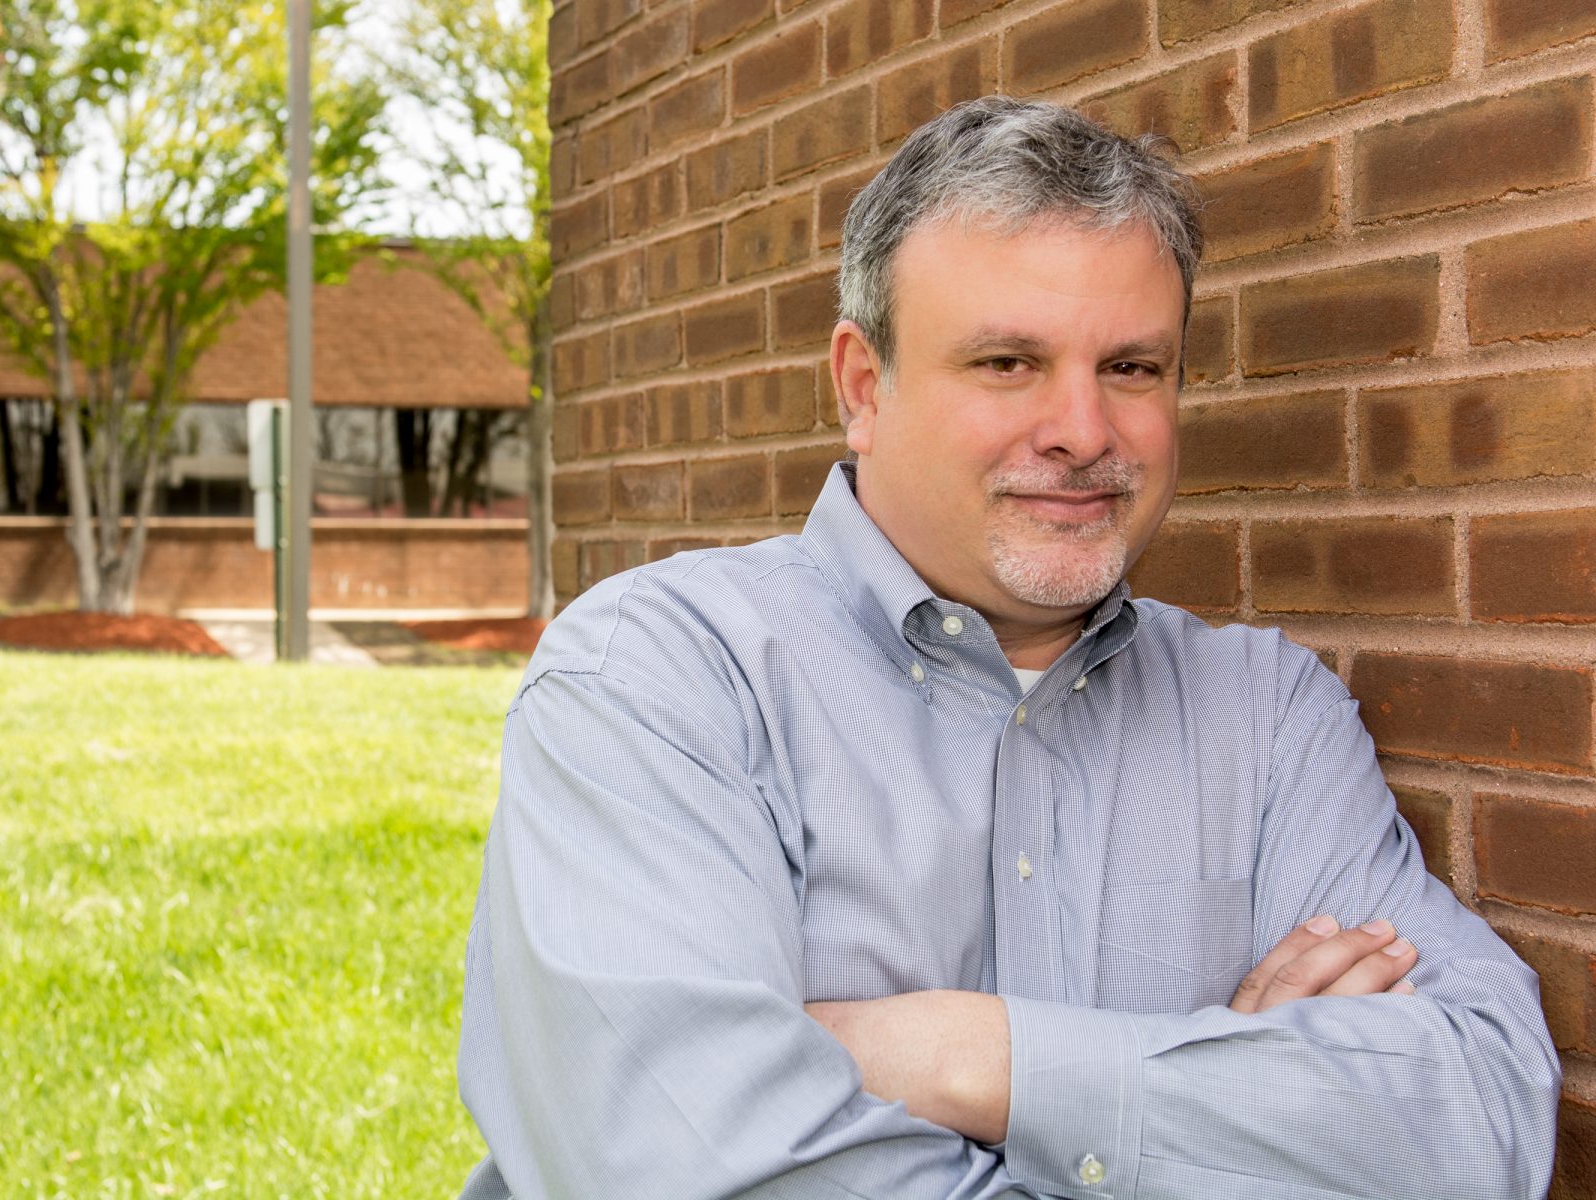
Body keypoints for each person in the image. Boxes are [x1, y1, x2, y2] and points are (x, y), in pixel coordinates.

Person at [455, 97, 1561, 1199]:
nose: (1083, 431)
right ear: (862, 385)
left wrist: (968, 1055)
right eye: (1007, 363)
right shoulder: (664, 679)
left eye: (1132, 368)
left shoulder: (1269, 720)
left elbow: (1484, 1121)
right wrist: (1221, 1104)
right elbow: (685, 1173)